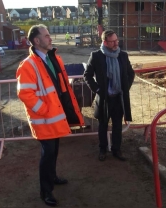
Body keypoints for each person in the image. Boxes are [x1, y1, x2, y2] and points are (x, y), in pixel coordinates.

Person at [16, 24, 84, 206]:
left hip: (55, 116)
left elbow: (60, 87)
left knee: (54, 150)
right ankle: (45, 191)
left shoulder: (53, 58)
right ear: (36, 41)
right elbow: (25, 94)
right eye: (46, 36)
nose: (50, 38)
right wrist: (45, 109)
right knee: (48, 154)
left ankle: (52, 177)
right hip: (44, 118)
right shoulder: (28, 65)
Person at [83, 29, 135, 162]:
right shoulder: (96, 56)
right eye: (113, 41)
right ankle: (102, 149)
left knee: (117, 125)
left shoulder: (122, 55)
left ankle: (117, 149)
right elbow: (87, 75)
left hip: (118, 97)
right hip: (104, 98)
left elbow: (131, 73)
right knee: (103, 125)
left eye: (117, 40)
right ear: (105, 42)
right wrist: (98, 89)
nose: (116, 43)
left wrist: (125, 88)